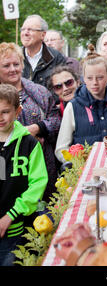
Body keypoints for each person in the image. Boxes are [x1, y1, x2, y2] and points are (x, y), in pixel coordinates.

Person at [0, 42, 61, 201]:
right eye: (6, 65)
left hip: (43, 168)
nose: (13, 69)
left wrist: (37, 128)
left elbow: (56, 120)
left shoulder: (39, 92)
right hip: (7, 171)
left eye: (16, 64)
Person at [0, 84, 48, 267]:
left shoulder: (29, 144)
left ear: (18, 111)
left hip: (14, 229)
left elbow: (37, 184)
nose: (0, 117)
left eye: (5, 111)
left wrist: (10, 215)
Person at [55, 48, 107, 164]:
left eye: (100, 77)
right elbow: (61, 149)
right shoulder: (73, 107)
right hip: (86, 171)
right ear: (83, 78)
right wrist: (78, 161)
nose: (94, 82)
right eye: (89, 78)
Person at [21, 15, 67, 89]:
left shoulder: (56, 58)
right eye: (23, 29)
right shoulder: (14, 57)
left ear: (43, 35)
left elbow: (62, 89)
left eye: (30, 29)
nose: (25, 33)